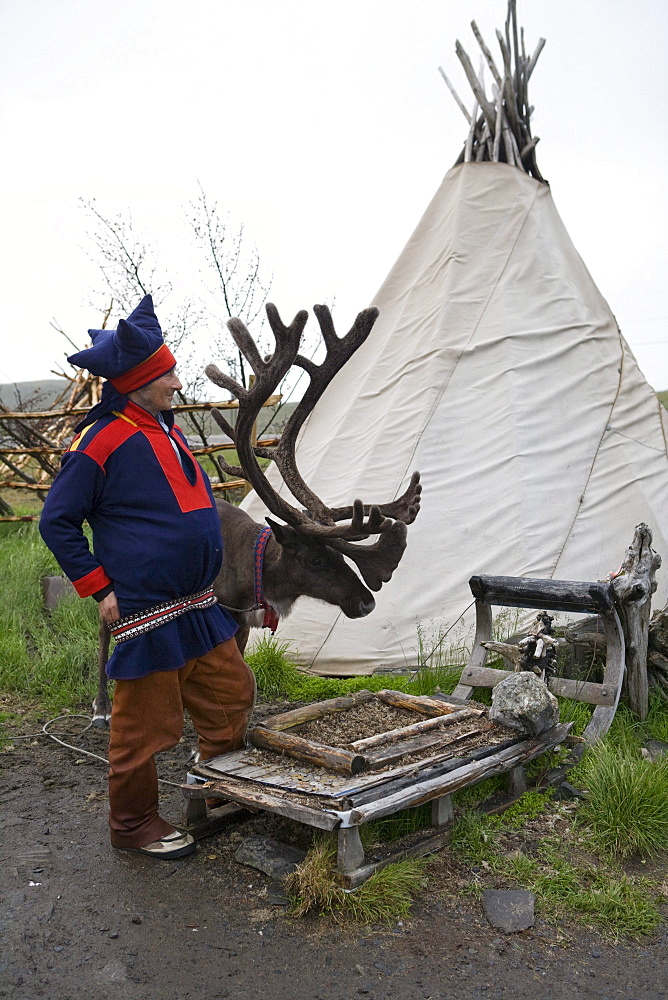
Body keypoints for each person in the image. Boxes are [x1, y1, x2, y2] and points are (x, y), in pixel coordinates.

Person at [40, 295, 255, 859]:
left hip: (198, 604)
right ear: (139, 381)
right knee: (146, 727)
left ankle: (216, 790)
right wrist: (99, 587)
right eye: (169, 375)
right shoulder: (101, 440)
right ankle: (132, 824)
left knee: (230, 696)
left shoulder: (164, 428)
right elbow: (56, 521)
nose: (178, 384)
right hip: (147, 610)